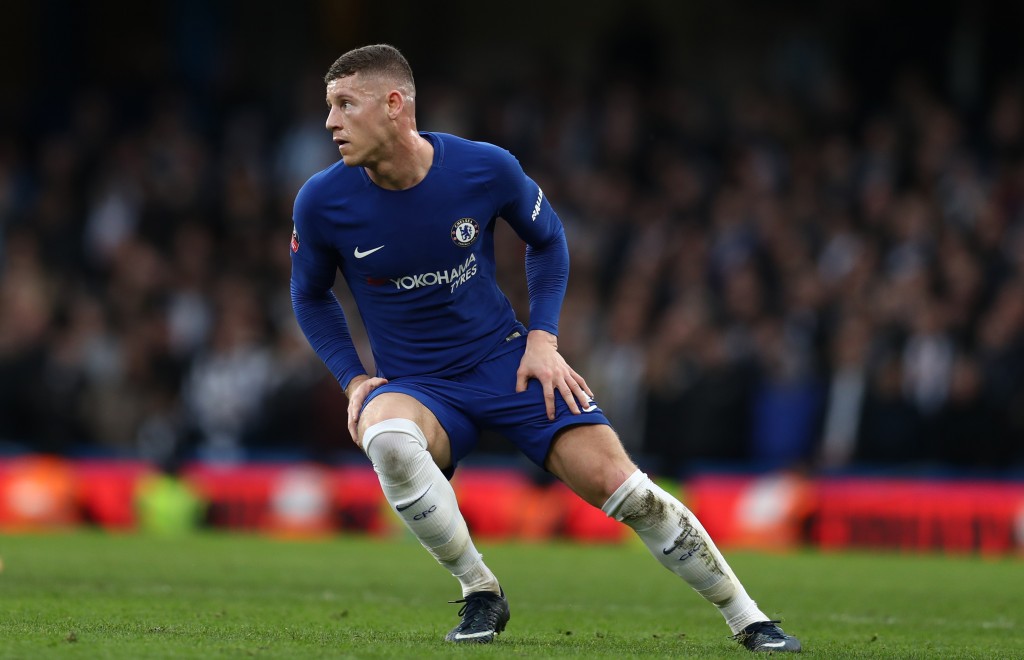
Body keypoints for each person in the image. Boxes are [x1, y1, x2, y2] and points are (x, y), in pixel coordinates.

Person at [289, 43, 802, 653]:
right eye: (329, 107)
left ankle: (750, 619)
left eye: (345, 104)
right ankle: (480, 590)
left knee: (629, 490)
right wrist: (353, 378)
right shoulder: (322, 202)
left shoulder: (484, 168)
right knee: (387, 438)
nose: (330, 122)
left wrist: (543, 338)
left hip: (508, 364)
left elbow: (549, 241)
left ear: (394, 105)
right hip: (418, 386)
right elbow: (309, 295)